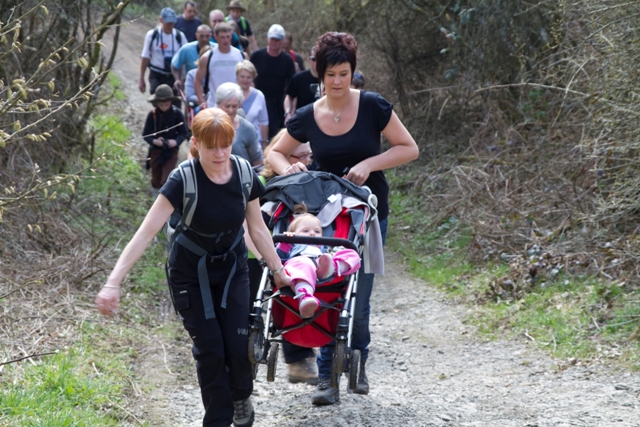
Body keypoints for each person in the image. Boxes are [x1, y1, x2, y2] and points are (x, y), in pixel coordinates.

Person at [96, 108, 291, 427]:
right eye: (210, 145)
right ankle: (217, 420)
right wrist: (113, 281)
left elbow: (257, 229)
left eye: (225, 144)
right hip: (190, 274)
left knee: (238, 343)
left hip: (231, 269)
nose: (219, 153)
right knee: (211, 349)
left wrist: (278, 270)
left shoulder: (243, 173)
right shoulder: (183, 179)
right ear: (196, 143)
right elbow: (146, 232)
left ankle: (241, 396)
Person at [266, 31, 419, 405]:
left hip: (366, 212)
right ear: (319, 74)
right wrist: (289, 170)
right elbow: (274, 153)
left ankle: (359, 359)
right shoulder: (308, 115)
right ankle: (326, 378)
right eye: (330, 74)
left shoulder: (372, 106)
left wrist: (370, 163)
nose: (337, 82)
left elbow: (409, 148)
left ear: (353, 72)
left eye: (344, 73)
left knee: (360, 299)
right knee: (326, 289)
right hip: (325, 217)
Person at [244, 130, 318, 385]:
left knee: (292, 291)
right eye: (302, 156)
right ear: (284, 156)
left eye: (310, 156)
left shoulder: (307, 183)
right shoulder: (260, 183)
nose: (307, 162)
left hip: (286, 254)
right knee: (248, 307)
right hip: (252, 253)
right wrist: (266, 258)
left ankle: (298, 359)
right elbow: (246, 224)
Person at [276, 204, 361, 318]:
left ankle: (333, 267)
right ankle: (305, 297)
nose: (312, 233)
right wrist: (285, 241)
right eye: (305, 230)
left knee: (352, 254)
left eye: (317, 231)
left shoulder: (323, 248)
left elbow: (336, 252)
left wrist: (337, 254)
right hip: (301, 268)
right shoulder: (293, 245)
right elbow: (278, 257)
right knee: (302, 263)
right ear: (294, 233)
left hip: (322, 268)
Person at [249, 24, 295, 140]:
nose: (274, 43)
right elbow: (249, 77)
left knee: (275, 135)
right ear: (268, 39)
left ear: (282, 41)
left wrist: (290, 111)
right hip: (257, 100)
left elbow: (292, 88)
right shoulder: (256, 56)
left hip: (277, 104)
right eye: (272, 39)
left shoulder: (287, 60)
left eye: (278, 40)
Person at [142, 84, 188, 197]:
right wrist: (154, 141)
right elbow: (145, 134)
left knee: (167, 179)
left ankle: (166, 203)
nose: (164, 107)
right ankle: (155, 200)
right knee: (156, 179)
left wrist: (175, 142)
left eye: (166, 104)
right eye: (161, 104)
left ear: (171, 102)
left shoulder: (177, 114)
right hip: (156, 151)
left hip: (171, 151)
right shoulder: (152, 115)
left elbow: (183, 133)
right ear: (156, 103)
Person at [139, 7, 187, 105]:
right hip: (157, 75)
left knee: (175, 104)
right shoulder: (152, 35)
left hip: (174, 76)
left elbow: (184, 59)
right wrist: (141, 79)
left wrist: (182, 78)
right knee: (158, 103)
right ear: (161, 20)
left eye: (173, 22)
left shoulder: (179, 36)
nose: (171, 25)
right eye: (168, 22)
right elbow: (145, 57)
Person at [194, 22, 244, 110]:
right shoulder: (207, 57)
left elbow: (248, 81)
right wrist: (202, 101)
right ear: (215, 37)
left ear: (231, 36)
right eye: (222, 37)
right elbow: (197, 80)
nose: (225, 40)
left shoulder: (241, 55)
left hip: (235, 106)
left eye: (228, 37)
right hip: (214, 105)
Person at [216, 82, 263, 167]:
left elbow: (258, 161)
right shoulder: (208, 124)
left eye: (234, 106)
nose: (230, 110)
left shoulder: (247, 129)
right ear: (218, 105)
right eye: (227, 106)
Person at [171, 24, 215, 91]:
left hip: (213, 85)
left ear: (211, 35)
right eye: (201, 36)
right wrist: (177, 79)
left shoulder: (217, 49)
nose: (204, 39)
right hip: (191, 85)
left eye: (207, 36)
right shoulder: (186, 49)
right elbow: (175, 65)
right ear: (196, 35)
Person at [235, 60, 268, 148]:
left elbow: (264, 122)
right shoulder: (229, 93)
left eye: (248, 77)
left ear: (253, 78)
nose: (245, 80)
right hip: (233, 141)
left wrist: (264, 143)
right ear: (237, 76)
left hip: (254, 142)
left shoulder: (259, 95)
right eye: (242, 76)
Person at [284, 47, 319, 124]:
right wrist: (288, 113)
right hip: (302, 122)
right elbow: (289, 97)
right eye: (314, 59)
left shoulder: (331, 78)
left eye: (321, 58)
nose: (318, 62)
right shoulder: (299, 77)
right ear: (309, 60)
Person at [185, 45, 212, 115]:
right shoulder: (191, 74)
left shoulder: (217, 73)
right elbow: (189, 96)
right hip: (199, 106)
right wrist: (201, 99)